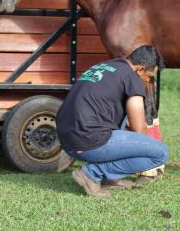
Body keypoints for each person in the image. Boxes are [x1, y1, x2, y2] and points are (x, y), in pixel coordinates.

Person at [56, 45, 169, 197]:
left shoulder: (106, 66)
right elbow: (139, 128)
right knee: (160, 153)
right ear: (140, 69)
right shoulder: (132, 77)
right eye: (148, 77)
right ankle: (92, 174)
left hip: (67, 140)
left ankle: (110, 178)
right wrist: (147, 145)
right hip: (88, 140)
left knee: (123, 124)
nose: (147, 81)